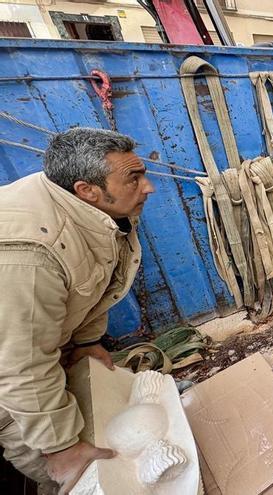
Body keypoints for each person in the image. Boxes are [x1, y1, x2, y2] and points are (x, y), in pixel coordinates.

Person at [0, 128, 154, 492]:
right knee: (81, 478)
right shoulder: (29, 254)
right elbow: (20, 366)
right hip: (11, 379)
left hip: (28, 353)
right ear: (87, 190)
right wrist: (61, 447)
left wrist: (86, 340)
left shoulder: (87, 205)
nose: (148, 187)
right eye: (134, 178)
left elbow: (99, 282)